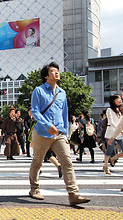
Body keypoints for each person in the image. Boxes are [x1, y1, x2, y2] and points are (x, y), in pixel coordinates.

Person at [29, 62, 90, 205]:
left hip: (59, 134)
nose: (57, 73)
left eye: (57, 71)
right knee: (37, 161)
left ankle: (73, 194)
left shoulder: (62, 93)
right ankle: (34, 189)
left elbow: (64, 113)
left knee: (67, 162)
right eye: (53, 71)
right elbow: (35, 111)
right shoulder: (39, 91)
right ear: (46, 76)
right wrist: (47, 125)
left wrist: (64, 132)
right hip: (42, 132)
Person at [107, 84, 123, 191]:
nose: (121, 98)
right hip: (117, 133)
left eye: (122, 96)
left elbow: (121, 124)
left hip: (119, 134)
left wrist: (113, 137)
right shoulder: (111, 110)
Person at [103, 94, 123, 175]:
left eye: (120, 99)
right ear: (113, 101)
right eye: (118, 99)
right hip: (111, 132)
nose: (120, 100)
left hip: (120, 133)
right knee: (109, 150)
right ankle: (106, 166)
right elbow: (111, 122)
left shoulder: (121, 109)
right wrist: (121, 130)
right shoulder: (109, 110)